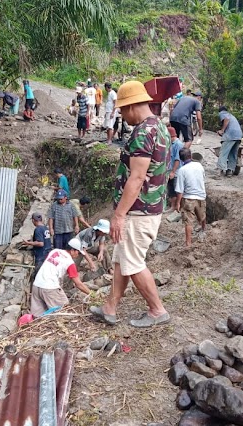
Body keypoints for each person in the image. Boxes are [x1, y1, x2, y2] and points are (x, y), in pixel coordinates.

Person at [89, 80, 170, 328]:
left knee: (133, 263)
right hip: (148, 207)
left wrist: (119, 215)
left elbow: (136, 178)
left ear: (133, 105)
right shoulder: (159, 126)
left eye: (123, 110)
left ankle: (157, 310)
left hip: (138, 210)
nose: (122, 115)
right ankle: (109, 308)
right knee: (120, 260)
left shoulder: (143, 132)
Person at [30, 238, 91, 316]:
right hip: (50, 288)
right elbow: (78, 284)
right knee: (64, 310)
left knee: (38, 316)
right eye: (78, 253)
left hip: (37, 285)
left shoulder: (54, 251)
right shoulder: (69, 262)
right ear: (72, 250)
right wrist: (91, 294)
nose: (77, 255)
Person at [175, 148, 207, 247]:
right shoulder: (199, 166)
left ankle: (188, 243)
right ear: (191, 156)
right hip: (201, 196)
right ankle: (203, 230)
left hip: (189, 198)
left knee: (188, 221)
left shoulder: (182, 170)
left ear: (181, 159)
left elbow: (180, 190)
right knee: (202, 215)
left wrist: (178, 203)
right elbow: (203, 178)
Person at [216, 106, 243, 177]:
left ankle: (219, 171)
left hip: (230, 135)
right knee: (233, 153)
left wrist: (222, 130)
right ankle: (230, 171)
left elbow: (226, 119)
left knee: (223, 153)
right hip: (238, 135)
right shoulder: (232, 115)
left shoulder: (222, 113)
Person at [167, 126, 184, 211]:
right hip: (170, 169)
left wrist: (173, 172)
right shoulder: (171, 144)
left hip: (177, 170)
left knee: (177, 188)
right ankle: (173, 206)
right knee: (171, 189)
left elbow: (177, 159)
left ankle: (179, 207)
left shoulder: (178, 144)